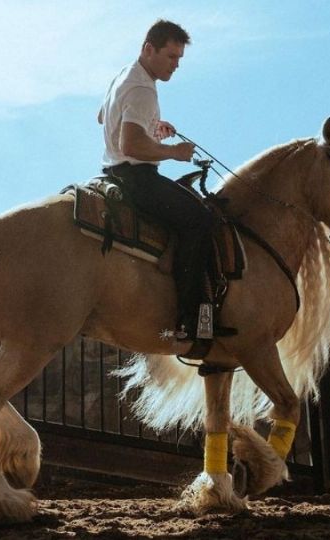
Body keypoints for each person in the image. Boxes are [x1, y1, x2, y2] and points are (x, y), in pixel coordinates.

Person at [98, 19, 213, 339]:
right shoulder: (142, 89)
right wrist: (174, 152)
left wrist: (151, 126)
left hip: (113, 172)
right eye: (170, 56)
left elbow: (102, 116)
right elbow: (131, 145)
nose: (175, 65)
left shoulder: (125, 75)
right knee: (200, 220)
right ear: (149, 49)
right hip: (137, 179)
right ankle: (189, 322)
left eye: (179, 59)